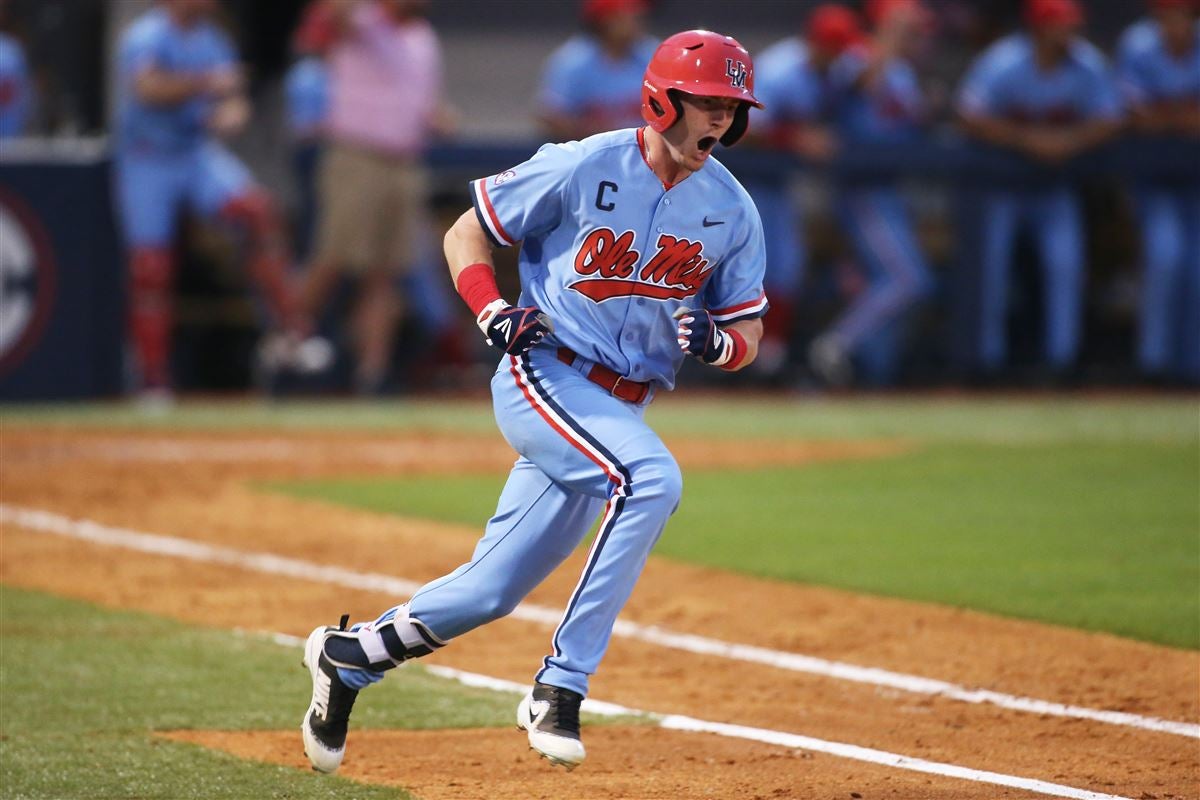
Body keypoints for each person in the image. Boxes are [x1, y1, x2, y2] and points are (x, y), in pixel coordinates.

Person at [300, 29, 769, 774]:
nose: (719, 120)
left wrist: (721, 343)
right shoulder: (584, 163)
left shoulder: (732, 209)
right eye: (707, 103)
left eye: (731, 107)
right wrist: (490, 309)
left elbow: (748, 328)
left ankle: (349, 657)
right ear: (663, 98)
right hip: (546, 374)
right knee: (651, 481)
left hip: (621, 410)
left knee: (488, 593)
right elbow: (468, 233)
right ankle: (561, 684)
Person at [113, 0, 306, 401]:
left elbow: (233, 98)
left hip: (195, 152)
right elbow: (147, 88)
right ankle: (153, 378)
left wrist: (232, 114)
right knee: (150, 267)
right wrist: (204, 85)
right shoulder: (147, 34)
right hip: (147, 157)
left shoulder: (213, 39)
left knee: (257, 213)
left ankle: (290, 333)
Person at [292, 0, 453, 395]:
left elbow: (420, 99)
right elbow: (331, 17)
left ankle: (373, 375)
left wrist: (434, 117)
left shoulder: (423, 38)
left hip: (405, 161)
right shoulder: (363, 20)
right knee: (333, 258)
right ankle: (286, 343)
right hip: (356, 155)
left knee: (387, 273)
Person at [955, 0, 1122, 378]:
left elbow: (1113, 117)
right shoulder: (1002, 62)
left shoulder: (1087, 63)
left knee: (1065, 266)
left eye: (1070, 24)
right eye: (1059, 25)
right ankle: (984, 364)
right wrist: (1028, 139)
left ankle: (1060, 363)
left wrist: (1068, 140)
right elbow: (967, 114)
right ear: (1038, 28)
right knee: (991, 273)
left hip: (1052, 187)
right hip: (1000, 187)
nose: (1068, 32)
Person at [807, 0, 936, 386]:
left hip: (893, 189)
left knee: (885, 281)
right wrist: (890, 37)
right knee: (907, 279)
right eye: (910, 28)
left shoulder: (904, 72)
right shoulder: (857, 55)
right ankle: (834, 345)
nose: (919, 36)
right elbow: (860, 83)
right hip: (862, 188)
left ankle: (869, 373)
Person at [747, 3, 862, 379]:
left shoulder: (839, 69)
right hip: (745, 177)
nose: (840, 54)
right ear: (815, 42)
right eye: (834, 46)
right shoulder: (781, 69)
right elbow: (744, 127)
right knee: (745, 270)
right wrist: (796, 137)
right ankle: (731, 359)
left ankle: (769, 359)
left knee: (788, 266)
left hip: (781, 184)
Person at [1116, 0, 1200, 385]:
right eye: (1168, 13)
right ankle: (1155, 367)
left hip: (1194, 177)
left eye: (1183, 13)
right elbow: (1134, 115)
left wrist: (1166, 117)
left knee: (1196, 266)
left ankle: (1190, 366)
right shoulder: (1137, 45)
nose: (1176, 21)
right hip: (1152, 176)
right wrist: (1183, 118)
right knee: (1165, 256)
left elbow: (1156, 117)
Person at [535, 0, 659, 141]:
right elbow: (550, 117)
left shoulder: (652, 54)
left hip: (646, 154)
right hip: (590, 154)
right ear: (605, 20)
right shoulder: (573, 60)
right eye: (630, 15)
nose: (639, 20)